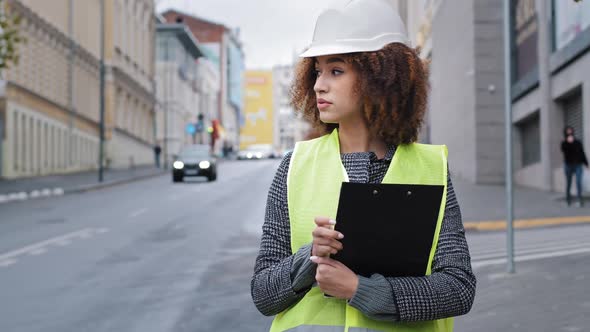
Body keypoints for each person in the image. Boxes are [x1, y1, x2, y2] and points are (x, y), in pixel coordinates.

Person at [250, 0, 476, 331]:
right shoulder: (294, 166)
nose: (318, 85)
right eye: (317, 71)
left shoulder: (431, 167)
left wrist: (361, 290)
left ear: (381, 76)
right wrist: (308, 257)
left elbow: (459, 289)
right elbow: (263, 294)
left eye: (336, 70)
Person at [560, 126, 588, 207]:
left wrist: (586, 164)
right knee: (569, 182)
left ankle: (580, 200)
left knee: (578, 182)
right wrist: (568, 143)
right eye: (567, 131)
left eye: (570, 130)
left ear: (572, 131)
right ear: (565, 132)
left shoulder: (578, 142)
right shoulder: (563, 143)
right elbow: (564, 151)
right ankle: (568, 200)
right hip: (568, 165)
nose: (569, 132)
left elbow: (582, 153)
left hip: (578, 165)